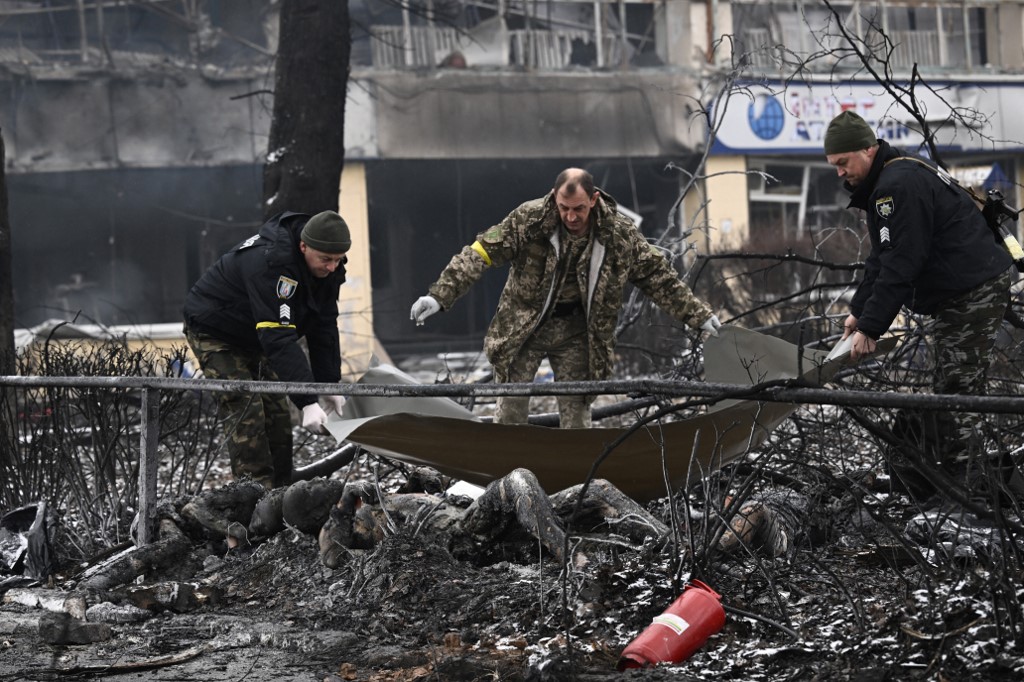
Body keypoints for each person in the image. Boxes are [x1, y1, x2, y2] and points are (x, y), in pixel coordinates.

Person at [409, 167, 720, 429]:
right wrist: (438, 296)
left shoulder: (619, 236)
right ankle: (507, 474)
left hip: (578, 330)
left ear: (594, 200)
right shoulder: (527, 221)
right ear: (554, 198)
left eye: (579, 209)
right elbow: (480, 254)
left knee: (576, 409)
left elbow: (658, 277)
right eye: (564, 208)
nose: (571, 217)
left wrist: (698, 315)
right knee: (511, 407)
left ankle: (577, 478)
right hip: (524, 327)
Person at [824, 110, 1015, 494]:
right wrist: (859, 313)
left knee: (958, 392)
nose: (840, 173)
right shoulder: (895, 175)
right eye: (834, 166)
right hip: (965, 288)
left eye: (843, 163)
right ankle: (962, 481)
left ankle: (971, 491)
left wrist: (871, 328)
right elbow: (882, 257)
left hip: (970, 291)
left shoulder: (896, 187)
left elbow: (901, 264)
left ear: (868, 148)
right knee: (953, 386)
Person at [183, 210, 351, 490]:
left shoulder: (328, 267)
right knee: (246, 408)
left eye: (338, 259)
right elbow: (278, 336)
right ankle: (253, 499)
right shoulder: (272, 263)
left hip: (255, 334)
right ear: (303, 247)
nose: (332, 267)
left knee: (276, 414)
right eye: (326, 259)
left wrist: (328, 382)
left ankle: (282, 493)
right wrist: (308, 401)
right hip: (215, 329)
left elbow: (323, 325)